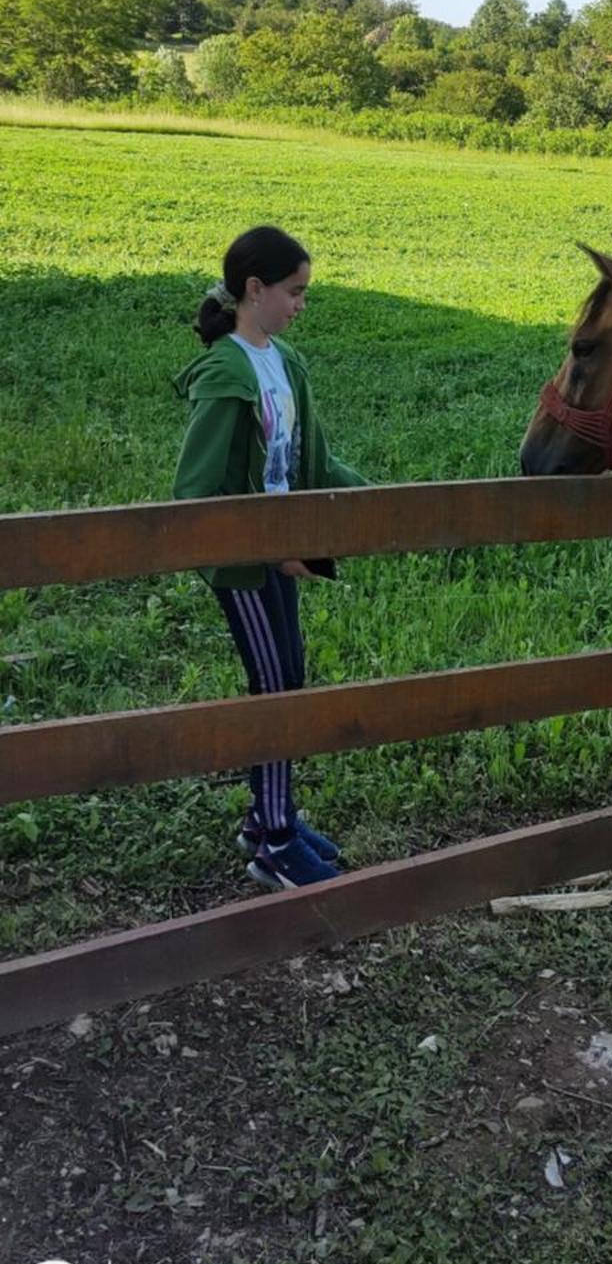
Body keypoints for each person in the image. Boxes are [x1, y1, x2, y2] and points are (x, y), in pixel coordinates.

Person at [173, 224, 367, 890]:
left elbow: (310, 461)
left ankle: (267, 817)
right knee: (274, 689)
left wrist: (387, 500)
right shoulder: (226, 373)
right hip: (246, 564)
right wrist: (271, 548)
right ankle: (275, 843)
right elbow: (196, 490)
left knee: (290, 680)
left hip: (279, 553)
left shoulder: (285, 363)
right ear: (254, 290)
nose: (301, 304)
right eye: (294, 291)